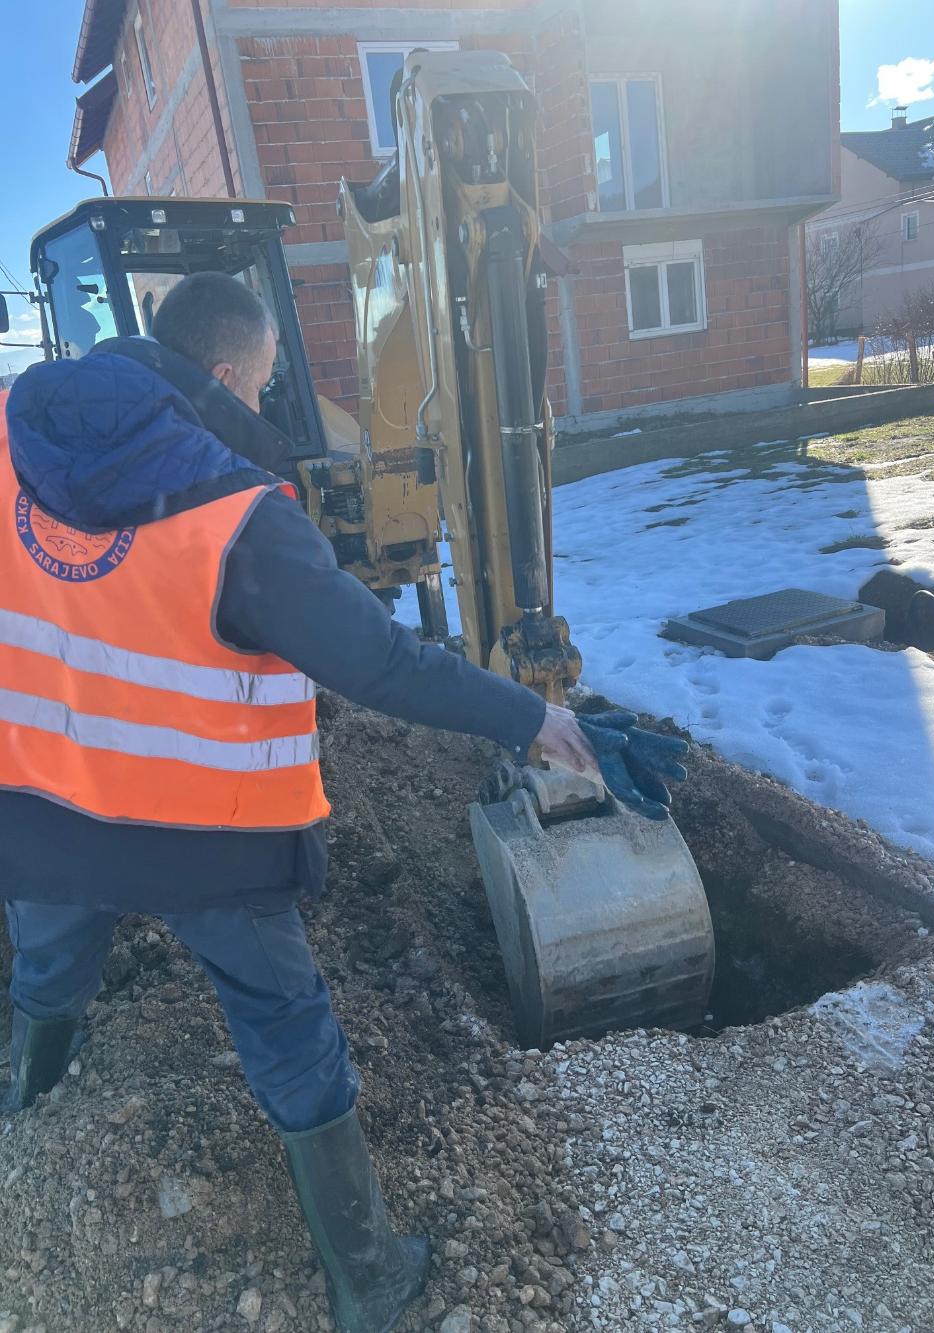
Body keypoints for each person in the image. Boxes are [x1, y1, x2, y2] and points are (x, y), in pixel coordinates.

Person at [0, 272, 595, 1333]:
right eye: (269, 381)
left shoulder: (7, 443)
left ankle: (30, 1101)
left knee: (47, 962)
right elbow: (379, 663)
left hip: (40, 809)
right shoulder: (237, 514)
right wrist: (523, 716)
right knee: (283, 1023)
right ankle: (365, 1276)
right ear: (224, 373)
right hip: (202, 841)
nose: (270, 402)